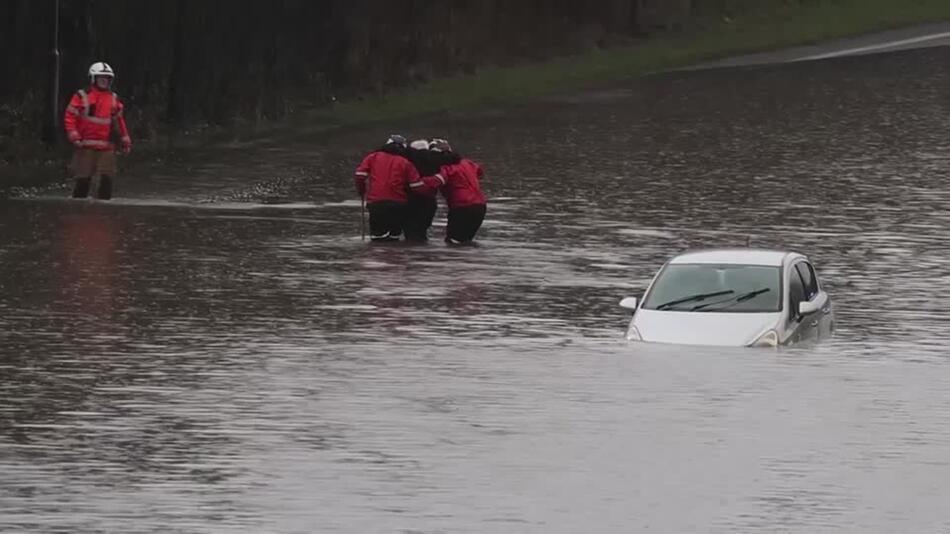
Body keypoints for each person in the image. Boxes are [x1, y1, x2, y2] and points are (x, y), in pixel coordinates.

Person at [63, 61, 132, 200]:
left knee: (107, 179)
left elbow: (119, 121)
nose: (104, 81)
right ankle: (79, 209)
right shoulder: (82, 95)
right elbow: (70, 116)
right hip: (85, 145)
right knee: (83, 179)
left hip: (107, 146)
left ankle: (103, 210)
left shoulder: (113, 98)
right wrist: (74, 135)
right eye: (101, 78)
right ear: (93, 78)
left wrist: (125, 139)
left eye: (107, 79)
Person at [415, 139, 487, 245]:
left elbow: (437, 181)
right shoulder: (468, 163)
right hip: (480, 205)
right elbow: (480, 172)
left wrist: (416, 182)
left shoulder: (446, 168)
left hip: (462, 207)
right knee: (466, 241)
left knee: (453, 242)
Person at [353, 134, 421, 241]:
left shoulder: (373, 157)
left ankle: (378, 255)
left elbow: (360, 176)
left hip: (376, 202)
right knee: (394, 238)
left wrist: (361, 190)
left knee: (377, 238)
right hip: (398, 203)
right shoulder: (406, 163)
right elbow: (416, 186)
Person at [403, 139, 439, 241]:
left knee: (410, 233)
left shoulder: (407, 161)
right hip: (430, 201)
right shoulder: (436, 161)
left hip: (411, 200)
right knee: (422, 232)